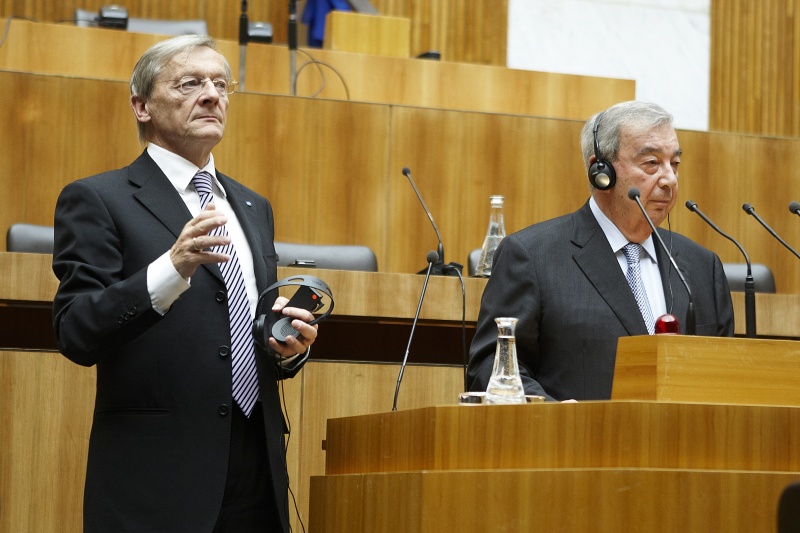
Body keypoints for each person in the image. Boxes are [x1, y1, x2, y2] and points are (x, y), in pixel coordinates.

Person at [51, 35, 318, 532]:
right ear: (142, 105)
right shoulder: (98, 199)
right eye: (191, 83)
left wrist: (286, 347)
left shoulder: (253, 207)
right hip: (157, 479)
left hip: (256, 468)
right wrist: (171, 268)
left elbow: (237, 330)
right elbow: (76, 332)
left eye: (221, 83)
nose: (213, 95)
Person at [467, 101, 735, 402]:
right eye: (651, 163)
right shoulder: (532, 256)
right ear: (601, 171)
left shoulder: (702, 267)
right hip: (574, 444)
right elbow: (490, 367)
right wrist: (562, 420)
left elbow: (726, 377)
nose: (669, 180)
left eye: (674, 164)